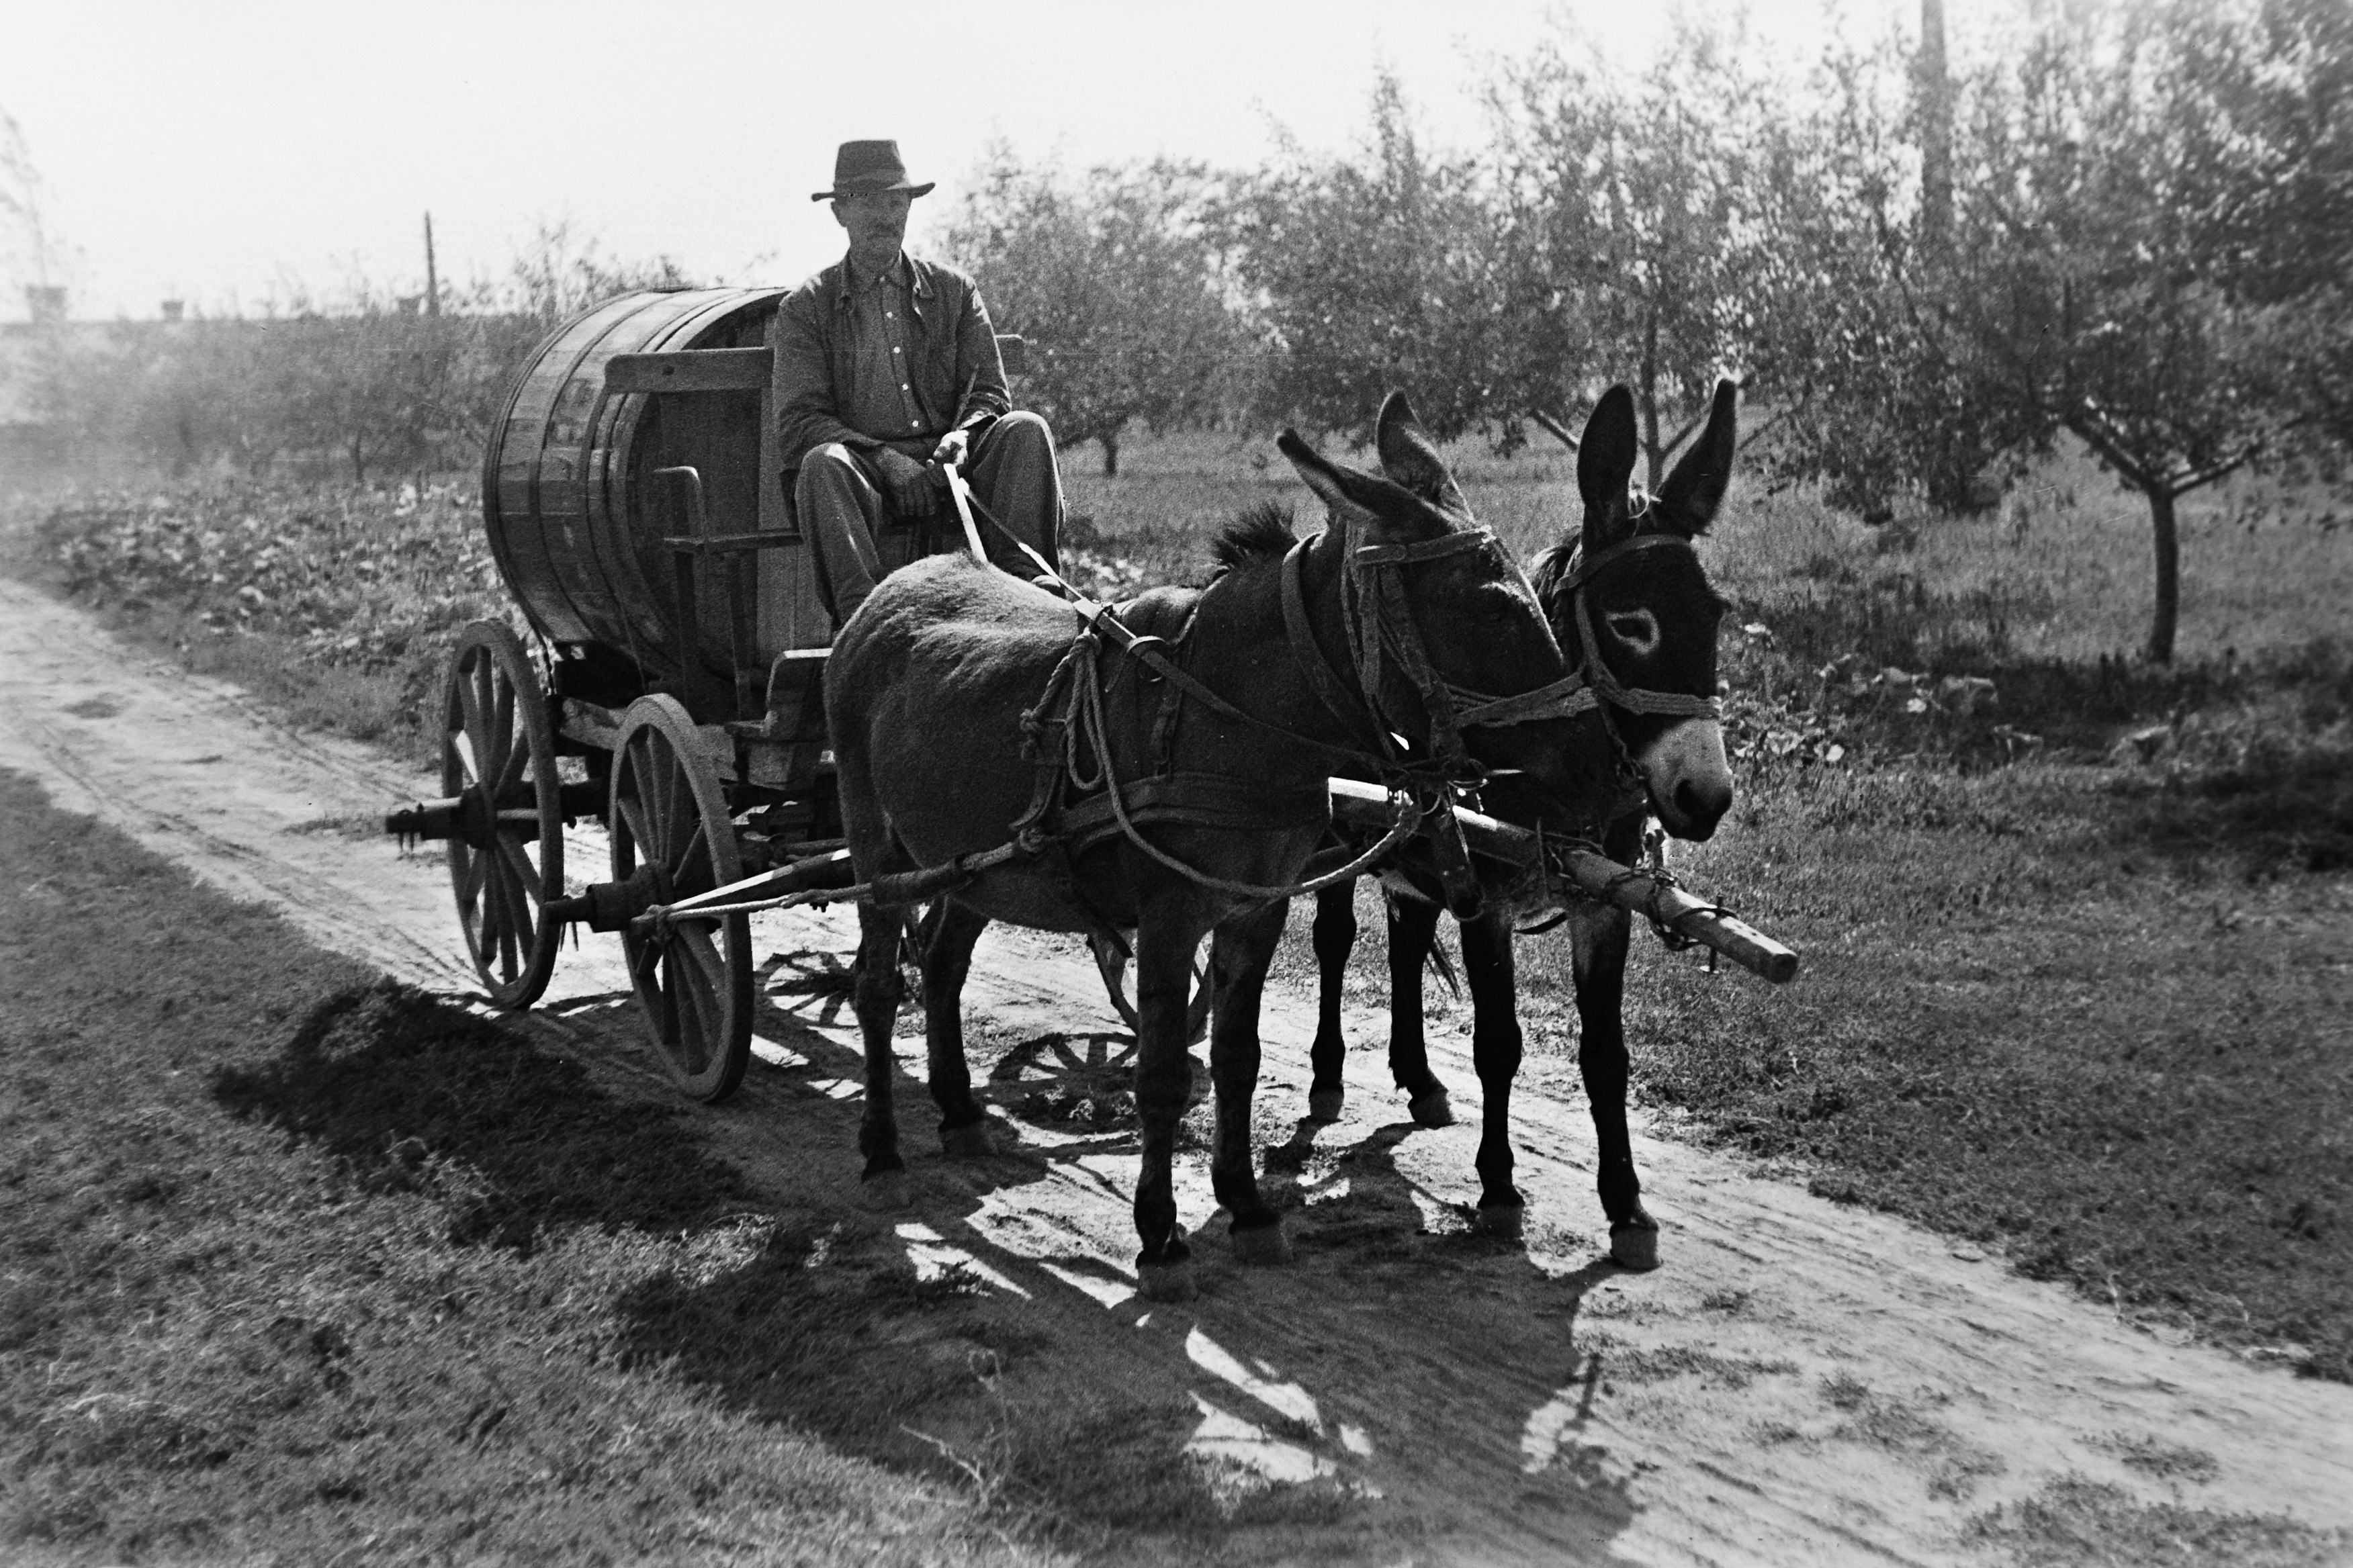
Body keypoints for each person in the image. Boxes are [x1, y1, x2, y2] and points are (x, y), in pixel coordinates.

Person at [772, 139, 1064, 627]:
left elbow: (989, 394)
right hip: (863, 470)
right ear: (840, 213)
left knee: (1025, 429)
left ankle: (1029, 591)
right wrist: (885, 460)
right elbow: (801, 421)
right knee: (822, 463)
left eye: (895, 201)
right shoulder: (806, 308)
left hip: (950, 468)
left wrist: (962, 438)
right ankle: (867, 625)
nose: (884, 216)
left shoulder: (954, 291)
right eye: (867, 201)